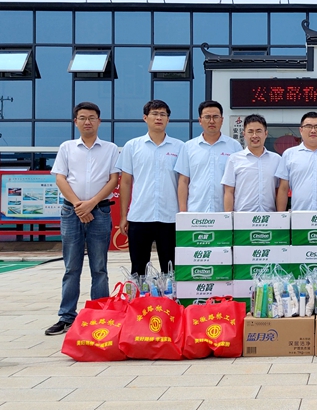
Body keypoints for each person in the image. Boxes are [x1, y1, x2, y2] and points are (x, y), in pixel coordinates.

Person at [46, 102, 120, 336]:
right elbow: (60, 178)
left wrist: (91, 203)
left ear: (99, 121)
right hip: (71, 212)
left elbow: (113, 180)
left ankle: (100, 314)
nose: (87, 122)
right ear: (75, 121)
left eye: (91, 117)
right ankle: (66, 316)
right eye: (82, 118)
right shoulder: (67, 147)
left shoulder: (110, 149)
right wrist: (79, 206)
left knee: (99, 267)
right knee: (71, 267)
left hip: (100, 212)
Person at [116, 100, 183, 276]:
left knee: (171, 269)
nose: (158, 118)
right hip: (140, 216)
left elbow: (184, 182)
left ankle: (170, 294)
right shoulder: (132, 146)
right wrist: (123, 216)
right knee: (138, 268)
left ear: (168, 119)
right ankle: (139, 294)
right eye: (154, 114)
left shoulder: (180, 147)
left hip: (170, 216)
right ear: (145, 118)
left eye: (163, 114)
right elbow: (126, 182)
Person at [175, 100, 242, 212]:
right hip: (196, 210)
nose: (211, 121)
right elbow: (183, 181)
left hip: (225, 211)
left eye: (215, 117)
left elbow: (239, 180)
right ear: (200, 121)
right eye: (207, 117)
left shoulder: (234, 146)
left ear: (222, 120)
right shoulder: (188, 147)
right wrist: (183, 212)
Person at [276, 112, 317, 211]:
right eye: (308, 126)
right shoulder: (289, 154)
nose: (313, 130)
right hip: (299, 214)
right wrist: (281, 216)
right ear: (301, 130)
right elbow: (283, 188)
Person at [222, 114, 281, 212]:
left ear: (266, 133)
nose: (254, 136)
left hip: (269, 216)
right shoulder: (234, 159)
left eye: (258, 131)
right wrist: (228, 217)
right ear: (244, 134)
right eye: (250, 132)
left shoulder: (276, 160)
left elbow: (279, 190)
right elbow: (229, 191)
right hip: (242, 216)